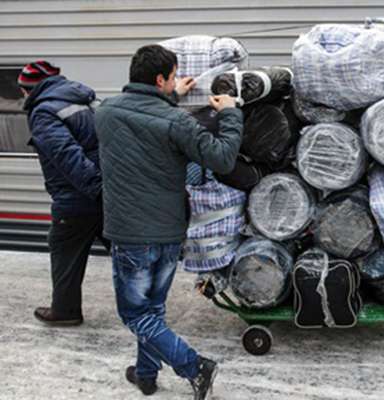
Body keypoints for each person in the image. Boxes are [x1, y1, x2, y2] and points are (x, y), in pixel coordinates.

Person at [95, 45, 243, 398]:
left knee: (136, 314)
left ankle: (195, 367)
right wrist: (231, 115)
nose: (176, 81)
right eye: (174, 76)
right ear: (161, 79)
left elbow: (143, 125)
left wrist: (170, 98)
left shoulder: (105, 112)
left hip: (131, 235)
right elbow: (222, 158)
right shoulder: (176, 122)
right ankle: (146, 374)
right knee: (149, 311)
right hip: (168, 233)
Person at [19, 60, 109, 327]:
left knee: (64, 250)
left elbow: (67, 155)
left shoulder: (44, 111)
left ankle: (65, 311)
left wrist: (97, 190)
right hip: (105, 191)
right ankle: (145, 307)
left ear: (29, 89)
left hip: (79, 197)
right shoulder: (85, 99)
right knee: (125, 253)